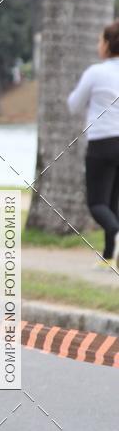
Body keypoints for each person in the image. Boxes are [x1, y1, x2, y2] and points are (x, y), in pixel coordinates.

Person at [68, 20, 119, 267]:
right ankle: (109, 256)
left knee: (98, 203)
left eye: (101, 40)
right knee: (114, 202)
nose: (98, 44)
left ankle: (116, 238)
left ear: (108, 44)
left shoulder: (96, 73)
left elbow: (74, 104)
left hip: (103, 143)